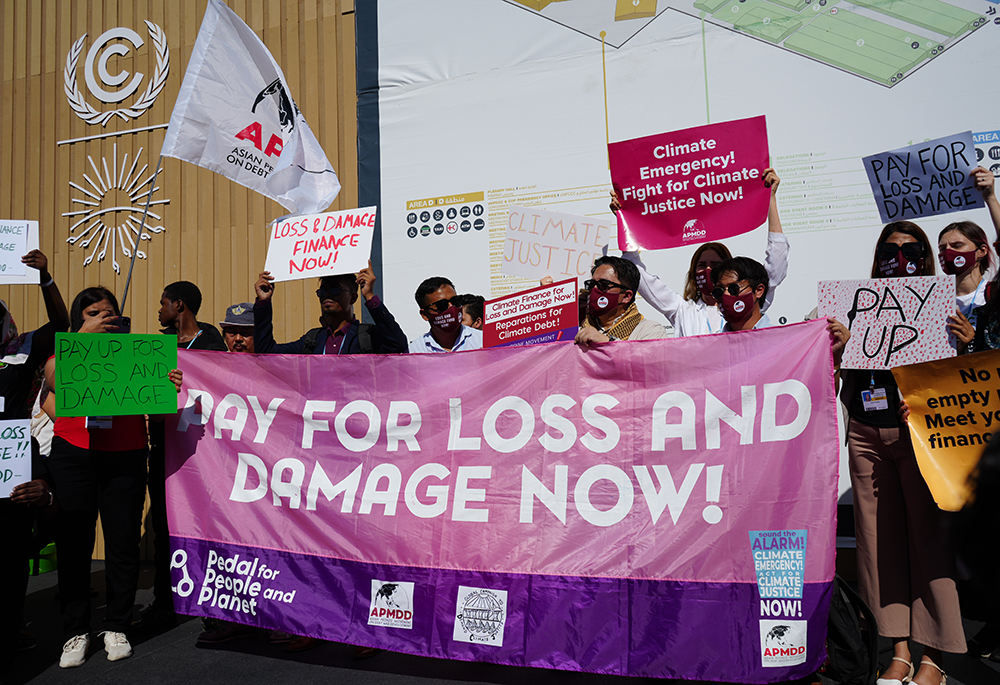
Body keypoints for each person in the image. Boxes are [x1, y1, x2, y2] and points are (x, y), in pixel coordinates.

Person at [842, 223, 962, 685]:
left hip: (920, 435)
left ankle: (936, 654)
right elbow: (838, 357)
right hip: (867, 432)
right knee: (876, 545)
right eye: (890, 250)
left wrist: (965, 341)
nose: (900, 256)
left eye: (910, 249)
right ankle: (898, 648)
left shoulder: (941, 302)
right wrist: (837, 341)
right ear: (877, 257)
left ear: (925, 256)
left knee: (927, 541)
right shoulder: (857, 302)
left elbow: (960, 373)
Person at [44, 287, 183, 668]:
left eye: (109, 313)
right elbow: (53, 380)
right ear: (79, 319)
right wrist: (81, 339)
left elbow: (159, 397)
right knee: (74, 543)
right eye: (92, 313)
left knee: (122, 544)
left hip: (126, 454)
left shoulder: (139, 353)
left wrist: (166, 384)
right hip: (74, 454)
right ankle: (75, 631)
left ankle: (117, 624)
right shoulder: (66, 349)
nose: (102, 319)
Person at [136, 281, 227, 632]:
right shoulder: (158, 348)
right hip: (163, 451)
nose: (159, 311)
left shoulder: (211, 344)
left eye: (163, 304)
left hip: (201, 455)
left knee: (206, 526)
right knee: (164, 529)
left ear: (180, 305)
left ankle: (210, 595)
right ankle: (165, 601)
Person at [613, 169, 788, 336]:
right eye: (702, 265)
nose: (708, 270)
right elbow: (641, 278)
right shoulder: (682, 311)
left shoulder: (749, 304)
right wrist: (625, 220)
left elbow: (776, 262)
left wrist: (771, 198)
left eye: (716, 265)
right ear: (692, 273)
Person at [0, 250, 68, 670]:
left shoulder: (21, 350)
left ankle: (9, 625)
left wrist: (44, 278)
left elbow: (61, 327)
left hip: (9, 461)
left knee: (10, 549)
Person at [254, 261, 407, 355]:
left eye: (335, 290)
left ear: (353, 298)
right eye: (322, 291)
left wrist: (369, 297)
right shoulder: (312, 340)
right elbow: (266, 353)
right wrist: (264, 302)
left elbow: (398, 345)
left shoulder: (367, 336)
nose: (327, 296)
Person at [574, 255, 667, 346]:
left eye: (603, 284)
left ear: (626, 296)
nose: (594, 289)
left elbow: (645, 360)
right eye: (591, 284)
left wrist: (607, 342)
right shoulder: (577, 333)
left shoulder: (651, 331)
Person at [409, 277, 483, 353]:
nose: (451, 307)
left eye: (455, 301)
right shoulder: (415, 350)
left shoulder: (482, 340)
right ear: (424, 315)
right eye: (442, 304)